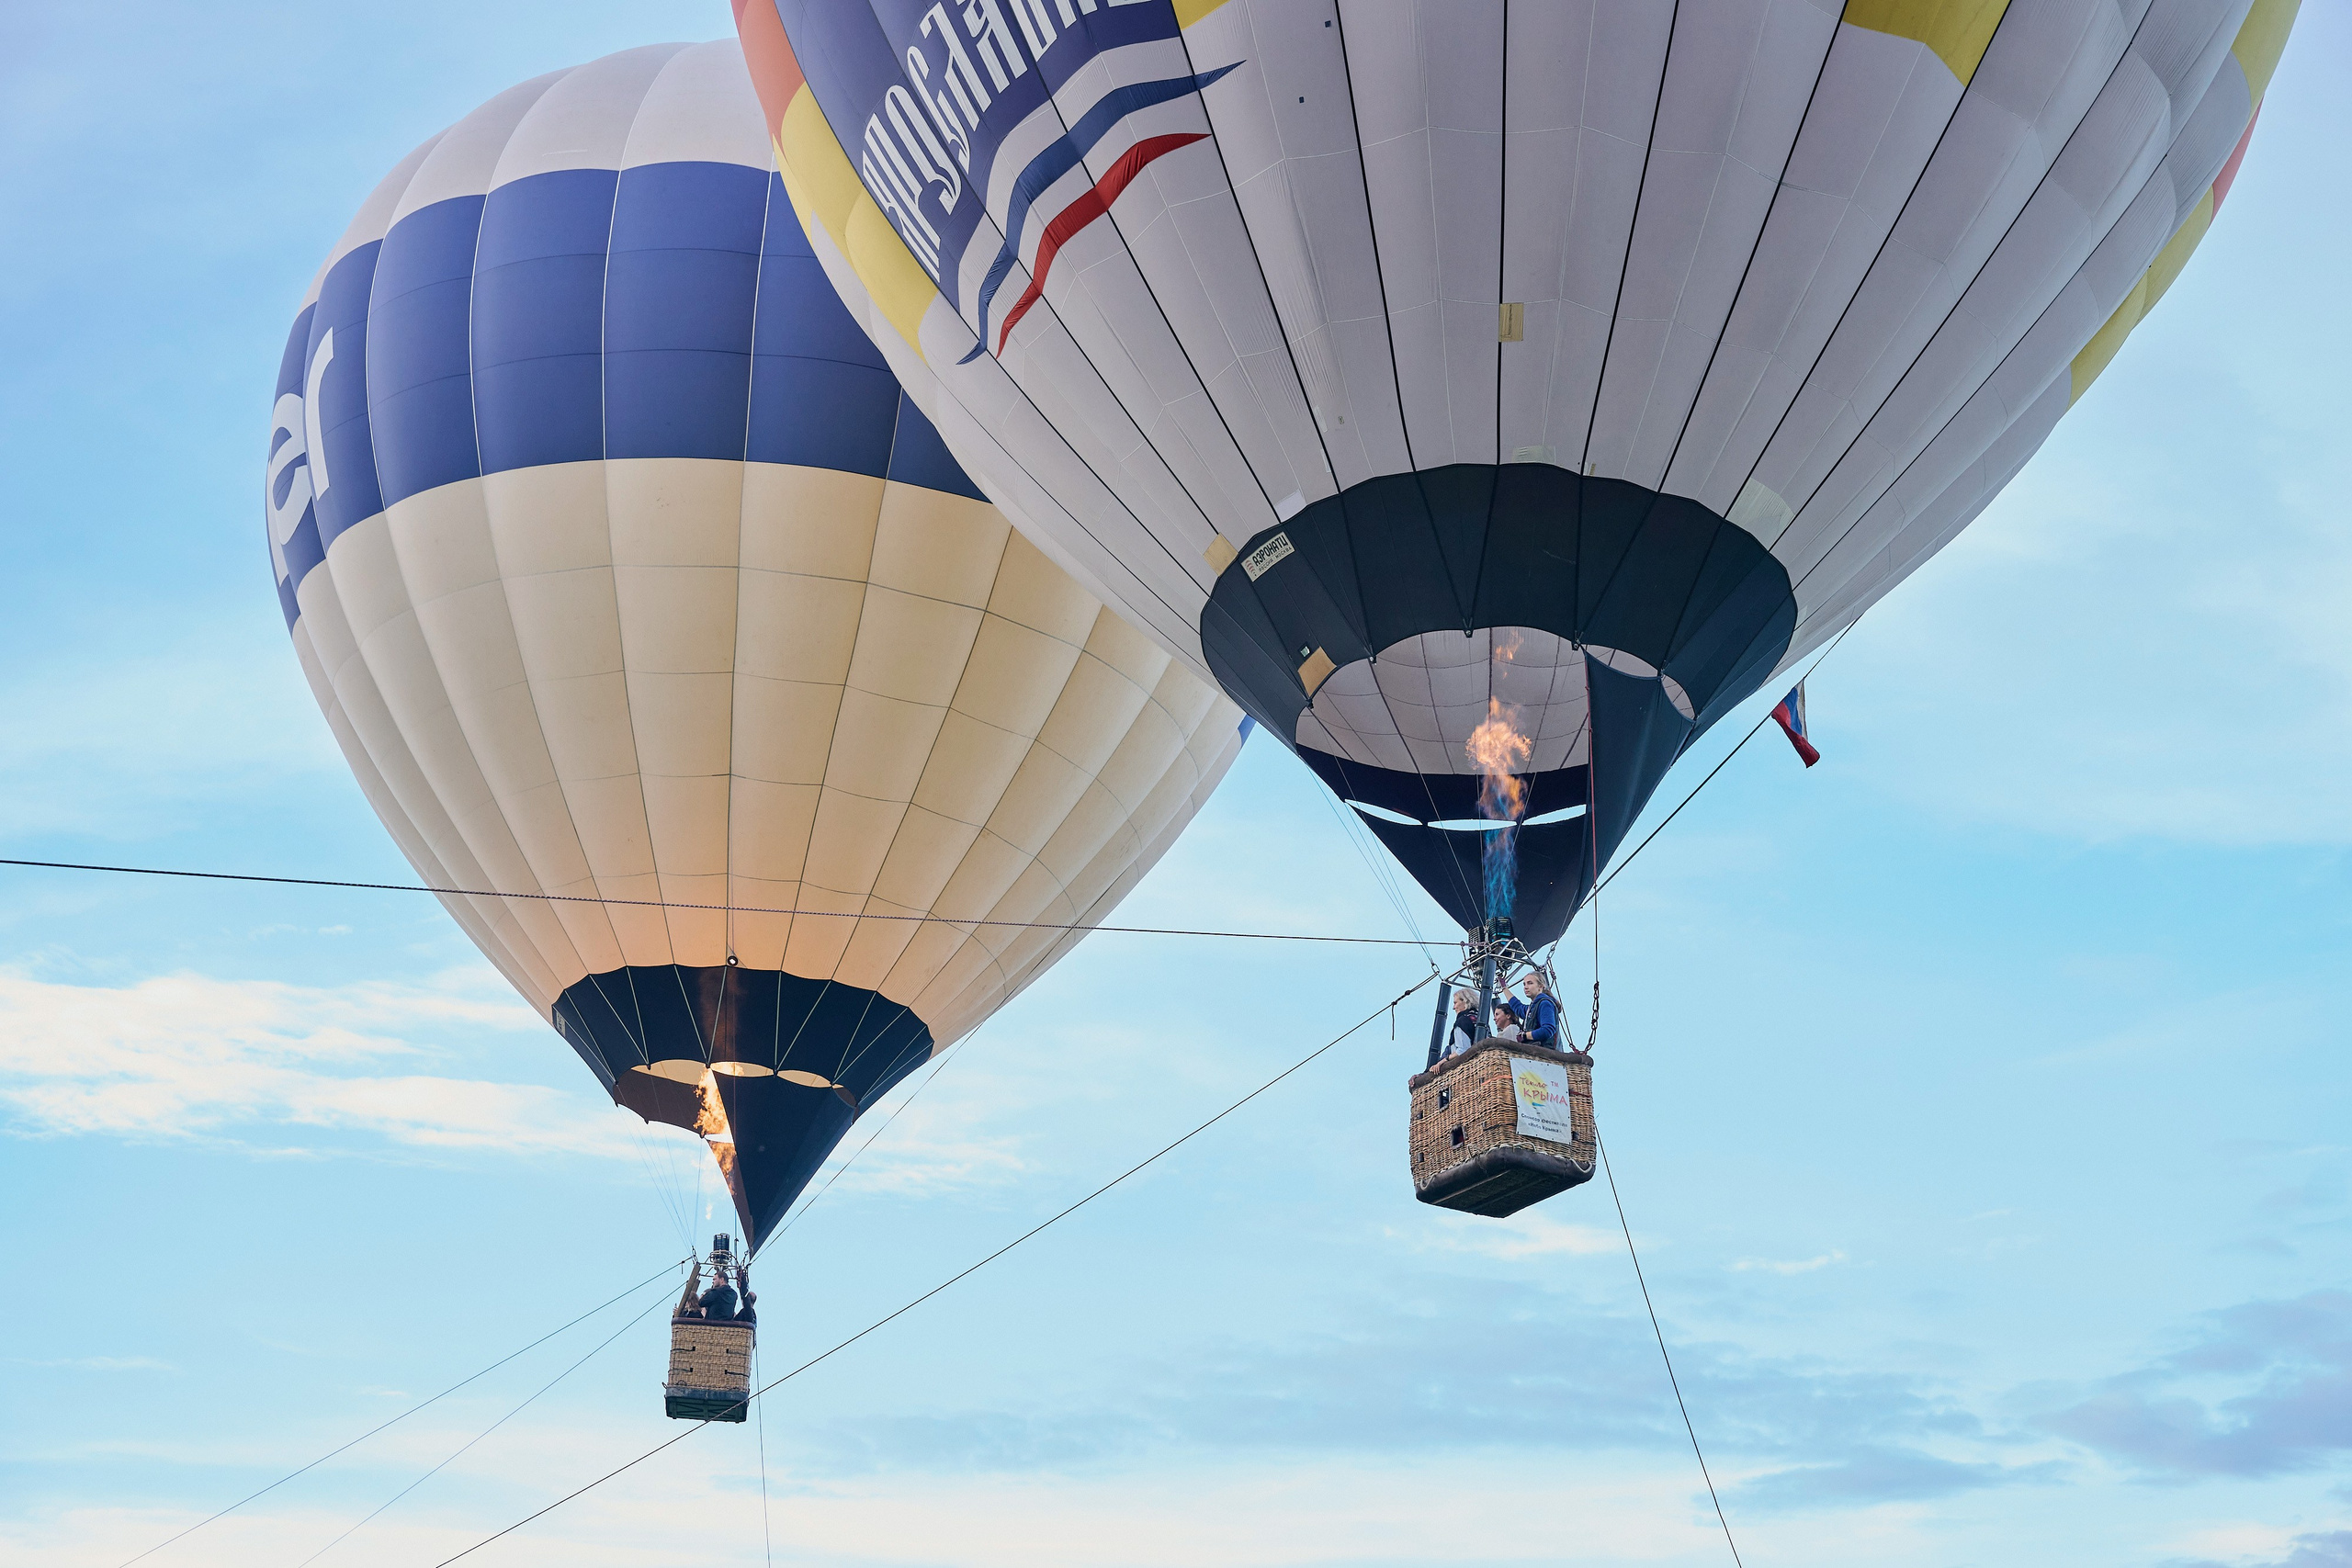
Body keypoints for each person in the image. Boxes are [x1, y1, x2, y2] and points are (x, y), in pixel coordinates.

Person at [1503, 972, 1563, 1049]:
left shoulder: (1545, 1004)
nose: (1526, 987)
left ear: (1540, 986)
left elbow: (1548, 1030)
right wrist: (1504, 988)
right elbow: (1518, 1007)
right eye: (1524, 984)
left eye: (1530, 983)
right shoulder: (1532, 1008)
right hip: (1537, 1050)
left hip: (1545, 1051)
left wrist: (1525, 1035)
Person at [1446, 988, 1480, 1057]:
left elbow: (1462, 1051)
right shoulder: (1480, 1019)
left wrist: (1445, 1059)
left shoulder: (1462, 1021)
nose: (1454, 1007)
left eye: (1455, 1003)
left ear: (1465, 1001)